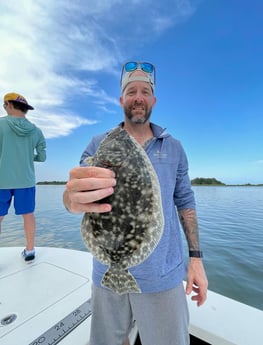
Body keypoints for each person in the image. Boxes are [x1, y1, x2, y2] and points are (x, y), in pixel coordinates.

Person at [63, 61, 208, 345]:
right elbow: (74, 197)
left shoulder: (174, 147)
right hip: (107, 273)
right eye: (131, 91)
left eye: (145, 91)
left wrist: (196, 259)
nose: (138, 97)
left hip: (162, 275)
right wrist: (71, 198)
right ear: (121, 100)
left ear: (153, 99)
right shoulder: (98, 143)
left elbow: (185, 201)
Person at [0, 92, 46, 261]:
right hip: (26, 181)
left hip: (1, 180)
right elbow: (42, 157)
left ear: (9, 105)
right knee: (28, 215)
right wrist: (27, 156)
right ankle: (30, 250)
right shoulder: (36, 131)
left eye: (4, 105)